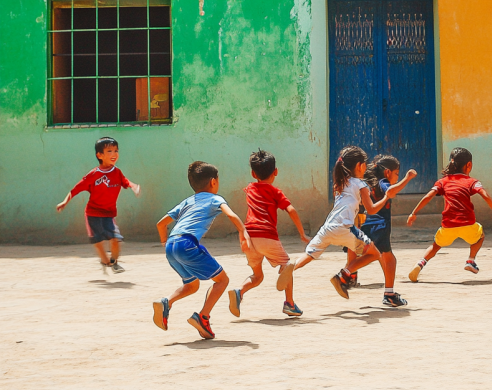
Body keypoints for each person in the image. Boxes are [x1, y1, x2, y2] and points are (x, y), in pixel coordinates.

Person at [153, 161, 252, 339]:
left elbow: (161, 224)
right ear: (213, 182)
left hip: (171, 245)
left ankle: (166, 302)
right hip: (187, 244)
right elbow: (230, 214)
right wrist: (243, 230)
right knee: (222, 280)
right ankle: (203, 316)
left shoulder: (187, 201)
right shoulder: (215, 198)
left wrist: (164, 242)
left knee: (192, 285)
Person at [292, 146, 393, 299]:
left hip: (327, 228)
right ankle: (343, 275)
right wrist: (386, 197)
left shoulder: (338, 184)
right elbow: (371, 209)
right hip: (345, 228)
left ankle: (290, 268)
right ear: (359, 166)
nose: (366, 167)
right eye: (364, 163)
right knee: (374, 254)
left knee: (309, 254)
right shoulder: (361, 185)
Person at [228, 150, 310, 319]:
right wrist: (302, 233)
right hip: (267, 236)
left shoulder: (250, 188)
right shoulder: (275, 192)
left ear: (252, 173)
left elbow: (254, 187)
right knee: (287, 265)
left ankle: (239, 291)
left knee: (257, 276)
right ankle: (289, 303)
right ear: (276, 172)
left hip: (248, 238)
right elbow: (291, 210)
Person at [407, 147, 492, 282]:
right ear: (469, 165)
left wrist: (413, 213)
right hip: (468, 224)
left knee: (435, 246)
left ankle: (420, 263)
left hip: (448, 225)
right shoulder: (472, 181)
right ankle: (470, 260)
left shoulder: (443, 181)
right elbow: (485, 194)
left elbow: (428, 196)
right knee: (480, 236)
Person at [56, 137, 140, 274]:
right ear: (99, 155)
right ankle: (105, 261)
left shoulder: (117, 172)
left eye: (116, 150)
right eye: (109, 151)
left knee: (115, 239)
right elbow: (76, 189)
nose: (114, 154)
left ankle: (114, 262)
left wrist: (133, 186)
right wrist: (65, 201)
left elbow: (125, 181)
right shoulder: (93, 174)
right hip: (93, 214)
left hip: (109, 214)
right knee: (98, 241)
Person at [343, 155, 417, 306]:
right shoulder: (383, 182)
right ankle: (344, 275)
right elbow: (391, 191)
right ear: (388, 172)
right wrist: (407, 178)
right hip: (380, 226)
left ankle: (387, 293)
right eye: (397, 174)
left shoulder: (368, 183)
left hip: (366, 224)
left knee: (383, 257)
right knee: (378, 256)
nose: (397, 177)